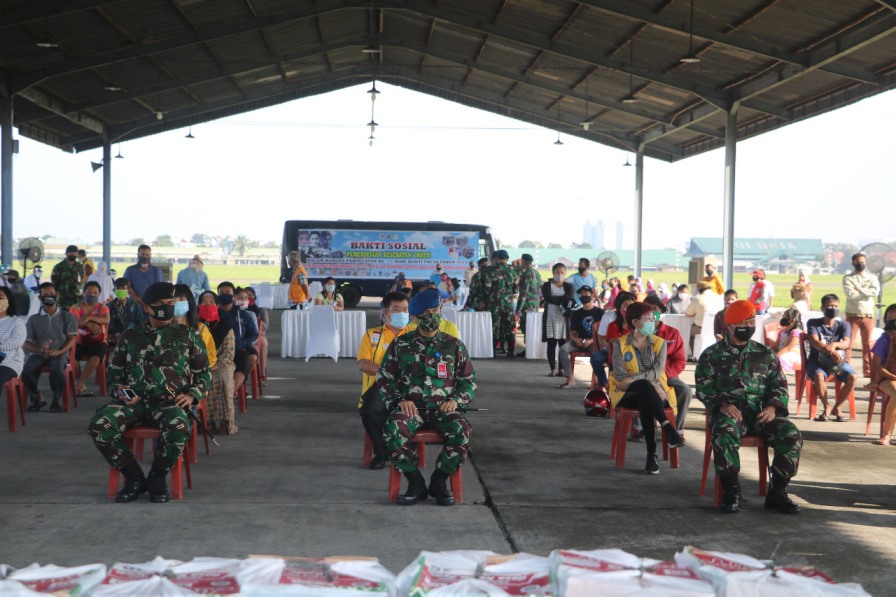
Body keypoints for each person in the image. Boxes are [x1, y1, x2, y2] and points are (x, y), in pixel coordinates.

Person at [88, 282, 211, 503]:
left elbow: (204, 373)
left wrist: (192, 395)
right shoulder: (130, 336)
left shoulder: (188, 335)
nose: (167, 307)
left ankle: (157, 477)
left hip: (169, 403)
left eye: (170, 302)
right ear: (146, 307)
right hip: (134, 403)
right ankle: (134, 477)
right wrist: (122, 392)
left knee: (178, 426)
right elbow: (114, 375)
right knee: (99, 424)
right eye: (160, 303)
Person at [696, 299, 802, 514]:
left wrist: (773, 408)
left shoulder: (765, 354)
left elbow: (779, 386)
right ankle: (731, 490)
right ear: (730, 326)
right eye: (744, 322)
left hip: (762, 413)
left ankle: (778, 491)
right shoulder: (711, 355)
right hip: (731, 414)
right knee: (724, 433)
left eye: (752, 321)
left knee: (791, 435)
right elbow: (703, 387)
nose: (749, 326)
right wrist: (722, 404)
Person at [378, 288, 476, 506]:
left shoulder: (454, 345)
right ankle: (415, 482)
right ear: (414, 317)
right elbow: (384, 378)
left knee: (461, 431)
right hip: (412, 409)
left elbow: (468, 381)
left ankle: (439, 481)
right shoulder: (401, 345)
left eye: (435, 311)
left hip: (444, 409)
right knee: (392, 432)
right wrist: (399, 400)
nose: (432, 316)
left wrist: (456, 400)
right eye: (426, 313)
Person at [608, 302, 683, 474]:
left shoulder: (660, 343)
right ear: (635, 322)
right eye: (647, 318)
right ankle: (668, 429)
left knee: (645, 398)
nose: (652, 321)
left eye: (652, 318)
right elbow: (620, 375)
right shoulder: (620, 344)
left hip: (654, 394)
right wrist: (646, 381)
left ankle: (652, 456)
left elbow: (657, 372)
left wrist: (634, 378)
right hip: (627, 393)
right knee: (644, 387)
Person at [357, 292, 411, 470]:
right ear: (386, 312)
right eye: (397, 309)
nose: (402, 313)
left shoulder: (416, 334)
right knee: (369, 411)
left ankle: (403, 449)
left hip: (411, 386)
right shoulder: (372, 335)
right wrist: (388, 373)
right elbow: (363, 364)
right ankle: (382, 453)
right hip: (382, 384)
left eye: (405, 309)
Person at [21, 282, 78, 412]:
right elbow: (26, 343)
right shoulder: (33, 319)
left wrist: (60, 351)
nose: (49, 297)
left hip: (59, 354)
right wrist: (39, 349)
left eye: (52, 294)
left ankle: (56, 400)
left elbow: (72, 338)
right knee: (26, 370)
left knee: (57, 370)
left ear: (57, 295)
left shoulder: (67, 316)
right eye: (45, 295)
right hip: (38, 354)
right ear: (40, 298)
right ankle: (37, 398)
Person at [806, 294, 857, 422]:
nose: (833, 309)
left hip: (837, 362)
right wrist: (830, 351)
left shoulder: (844, 325)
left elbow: (846, 343)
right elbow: (815, 341)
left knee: (853, 377)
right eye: (829, 306)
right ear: (822, 308)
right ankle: (826, 406)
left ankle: (837, 407)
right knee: (818, 375)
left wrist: (834, 345)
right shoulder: (813, 323)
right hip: (817, 362)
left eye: (835, 306)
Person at [644, 295, 691, 431]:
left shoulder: (672, 333)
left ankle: (677, 429)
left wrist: (664, 374)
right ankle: (641, 427)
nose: (651, 312)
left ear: (661, 311)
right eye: (647, 309)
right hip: (642, 376)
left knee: (685, 391)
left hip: (666, 375)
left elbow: (680, 361)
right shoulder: (637, 333)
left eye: (654, 309)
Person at [198, 291, 237, 435]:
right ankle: (205, 422)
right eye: (204, 302)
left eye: (211, 302)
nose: (208, 305)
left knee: (221, 378)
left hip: (222, 363)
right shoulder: (194, 325)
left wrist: (214, 365)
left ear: (217, 305)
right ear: (198, 305)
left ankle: (225, 422)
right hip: (198, 364)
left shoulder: (225, 326)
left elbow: (228, 354)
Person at [842, 252, 880, 378]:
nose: (860, 264)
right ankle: (845, 368)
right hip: (852, 315)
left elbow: (875, 292)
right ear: (853, 263)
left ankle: (868, 371)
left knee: (868, 345)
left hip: (868, 315)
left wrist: (859, 289)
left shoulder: (872, 277)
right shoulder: (848, 278)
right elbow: (850, 294)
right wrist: (865, 292)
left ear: (866, 263)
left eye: (863, 262)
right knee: (848, 344)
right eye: (858, 262)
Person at [70, 281, 111, 397]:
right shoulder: (75, 307)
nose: (92, 295)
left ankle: (80, 383)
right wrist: (89, 325)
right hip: (79, 341)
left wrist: (88, 317)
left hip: (98, 342)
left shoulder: (103, 307)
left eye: (95, 293)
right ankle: (79, 382)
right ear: (84, 293)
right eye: (89, 292)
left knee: (96, 356)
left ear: (99, 295)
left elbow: (106, 320)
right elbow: (75, 322)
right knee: (72, 356)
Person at [558, 286, 603, 389]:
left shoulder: (599, 313)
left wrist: (591, 341)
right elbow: (573, 331)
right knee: (563, 349)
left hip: (594, 342)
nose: (583, 295)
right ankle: (570, 380)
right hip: (579, 341)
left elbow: (602, 333)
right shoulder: (576, 313)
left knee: (596, 355)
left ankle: (596, 380)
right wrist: (575, 339)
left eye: (586, 293)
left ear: (592, 295)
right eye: (581, 294)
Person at [217, 282, 258, 393]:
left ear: (234, 296)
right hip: (218, 351)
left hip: (240, 349)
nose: (224, 295)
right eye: (221, 293)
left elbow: (254, 334)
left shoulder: (244, 315)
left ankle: (231, 392)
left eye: (227, 292)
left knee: (249, 359)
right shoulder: (214, 315)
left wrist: (243, 344)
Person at [593, 291, 636, 390]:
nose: (627, 308)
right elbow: (601, 338)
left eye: (631, 305)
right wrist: (609, 347)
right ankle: (605, 384)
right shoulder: (610, 318)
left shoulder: (637, 319)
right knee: (596, 358)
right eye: (625, 305)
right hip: (611, 349)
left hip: (632, 352)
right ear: (619, 306)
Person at [869, 304, 896, 445]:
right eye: (890, 318)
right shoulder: (885, 339)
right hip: (886, 378)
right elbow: (876, 365)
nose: (893, 321)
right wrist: (893, 377)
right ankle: (887, 434)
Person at [482, 249, 518, 357]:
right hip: (508, 304)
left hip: (495, 304)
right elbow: (516, 290)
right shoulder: (512, 272)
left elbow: (487, 289)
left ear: (497, 258)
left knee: (494, 327)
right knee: (509, 327)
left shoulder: (490, 271)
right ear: (507, 259)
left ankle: (492, 352)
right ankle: (511, 351)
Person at [541, 263, 574, 375]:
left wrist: (559, 299)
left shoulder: (568, 286)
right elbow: (547, 298)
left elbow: (570, 300)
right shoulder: (546, 285)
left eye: (562, 272)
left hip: (563, 318)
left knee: (563, 344)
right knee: (551, 344)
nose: (559, 274)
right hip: (550, 317)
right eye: (557, 272)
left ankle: (561, 369)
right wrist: (563, 299)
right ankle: (552, 369)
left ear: (565, 273)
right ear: (553, 272)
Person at [685, 281, 721, 356]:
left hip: (700, 329)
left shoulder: (698, 299)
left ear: (699, 289)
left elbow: (688, 314)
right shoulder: (718, 298)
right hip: (717, 328)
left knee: (690, 334)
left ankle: (695, 355)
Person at [106, 278, 146, 346]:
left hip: (130, 340)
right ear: (114, 290)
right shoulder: (109, 307)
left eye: (123, 288)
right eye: (118, 288)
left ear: (128, 290)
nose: (121, 290)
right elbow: (106, 325)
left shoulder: (135, 306)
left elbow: (141, 325)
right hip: (112, 341)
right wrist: (111, 336)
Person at [0, 287, 26, 386]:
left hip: (9, 363)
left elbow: (16, 341)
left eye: (0, 297)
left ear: (9, 301)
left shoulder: (16, 322)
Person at [244, 287, 269, 383]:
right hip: (243, 335)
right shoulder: (238, 310)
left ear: (254, 297)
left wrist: (255, 320)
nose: (248, 298)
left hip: (257, 335)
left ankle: (262, 373)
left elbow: (266, 326)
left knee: (263, 342)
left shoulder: (260, 310)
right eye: (246, 296)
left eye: (250, 295)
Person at [51, 244, 84, 311]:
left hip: (76, 299)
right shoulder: (59, 267)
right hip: (63, 300)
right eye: (71, 253)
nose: (74, 255)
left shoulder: (79, 267)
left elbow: (81, 280)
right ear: (66, 254)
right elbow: (54, 283)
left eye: (75, 253)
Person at [515, 253, 541, 337]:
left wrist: (518, 309)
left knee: (526, 327)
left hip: (527, 305)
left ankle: (528, 345)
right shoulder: (536, 273)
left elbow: (524, 293)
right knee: (532, 328)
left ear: (523, 262)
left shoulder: (527, 274)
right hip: (535, 305)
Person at [775, 307, 803, 375]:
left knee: (779, 361)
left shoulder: (796, 332)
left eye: (785, 318)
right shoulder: (783, 331)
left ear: (792, 320)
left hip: (794, 355)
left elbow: (788, 348)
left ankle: (780, 379)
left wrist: (775, 356)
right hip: (783, 353)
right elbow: (776, 345)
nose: (783, 319)